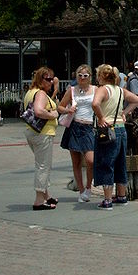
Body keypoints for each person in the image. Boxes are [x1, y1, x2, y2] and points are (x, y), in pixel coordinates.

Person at [92, 63, 138, 209]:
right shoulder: (120, 90)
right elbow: (137, 100)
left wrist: (101, 118)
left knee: (106, 162)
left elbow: (95, 104)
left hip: (107, 129)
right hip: (120, 128)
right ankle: (122, 195)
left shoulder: (103, 89)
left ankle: (107, 199)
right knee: (120, 162)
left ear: (101, 76)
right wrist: (124, 113)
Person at [57, 64, 96, 202]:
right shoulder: (72, 90)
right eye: (80, 75)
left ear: (90, 77)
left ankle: (88, 188)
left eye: (85, 75)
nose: (82, 78)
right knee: (76, 162)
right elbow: (60, 106)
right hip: (74, 126)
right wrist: (68, 110)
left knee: (91, 160)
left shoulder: (95, 90)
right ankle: (81, 190)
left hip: (89, 127)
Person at [23, 67, 59, 210]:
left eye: (52, 79)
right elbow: (38, 111)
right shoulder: (41, 94)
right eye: (48, 79)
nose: (51, 82)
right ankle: (39, 200)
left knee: (42, 164)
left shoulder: (30, 92)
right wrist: (53, 115)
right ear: (40, 79)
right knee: (43, 166)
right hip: (43, 133)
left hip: (32, 133)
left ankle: (46, 195)